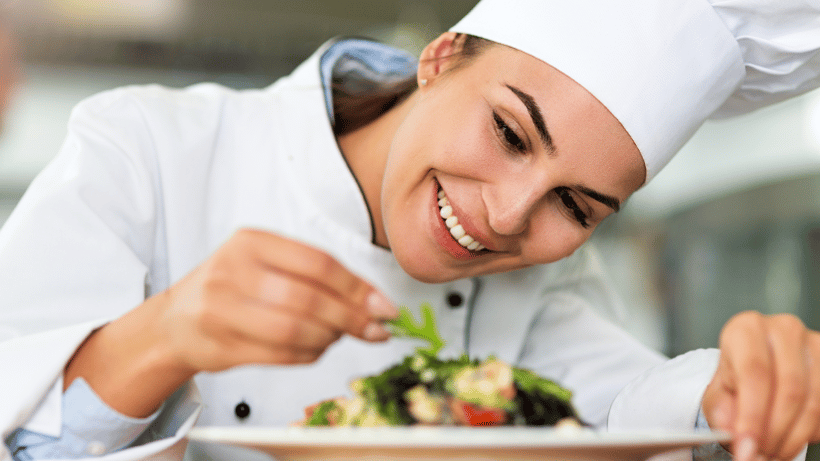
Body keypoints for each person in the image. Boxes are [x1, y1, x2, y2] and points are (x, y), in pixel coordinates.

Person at [0, 0, 819, 460]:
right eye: (509, 132)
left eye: (576, 206)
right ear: (441, 55)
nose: (507, 218)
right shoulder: (147, 146)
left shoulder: (551, 281)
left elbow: (616, 415)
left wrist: (732, 392)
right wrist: (166, 334)